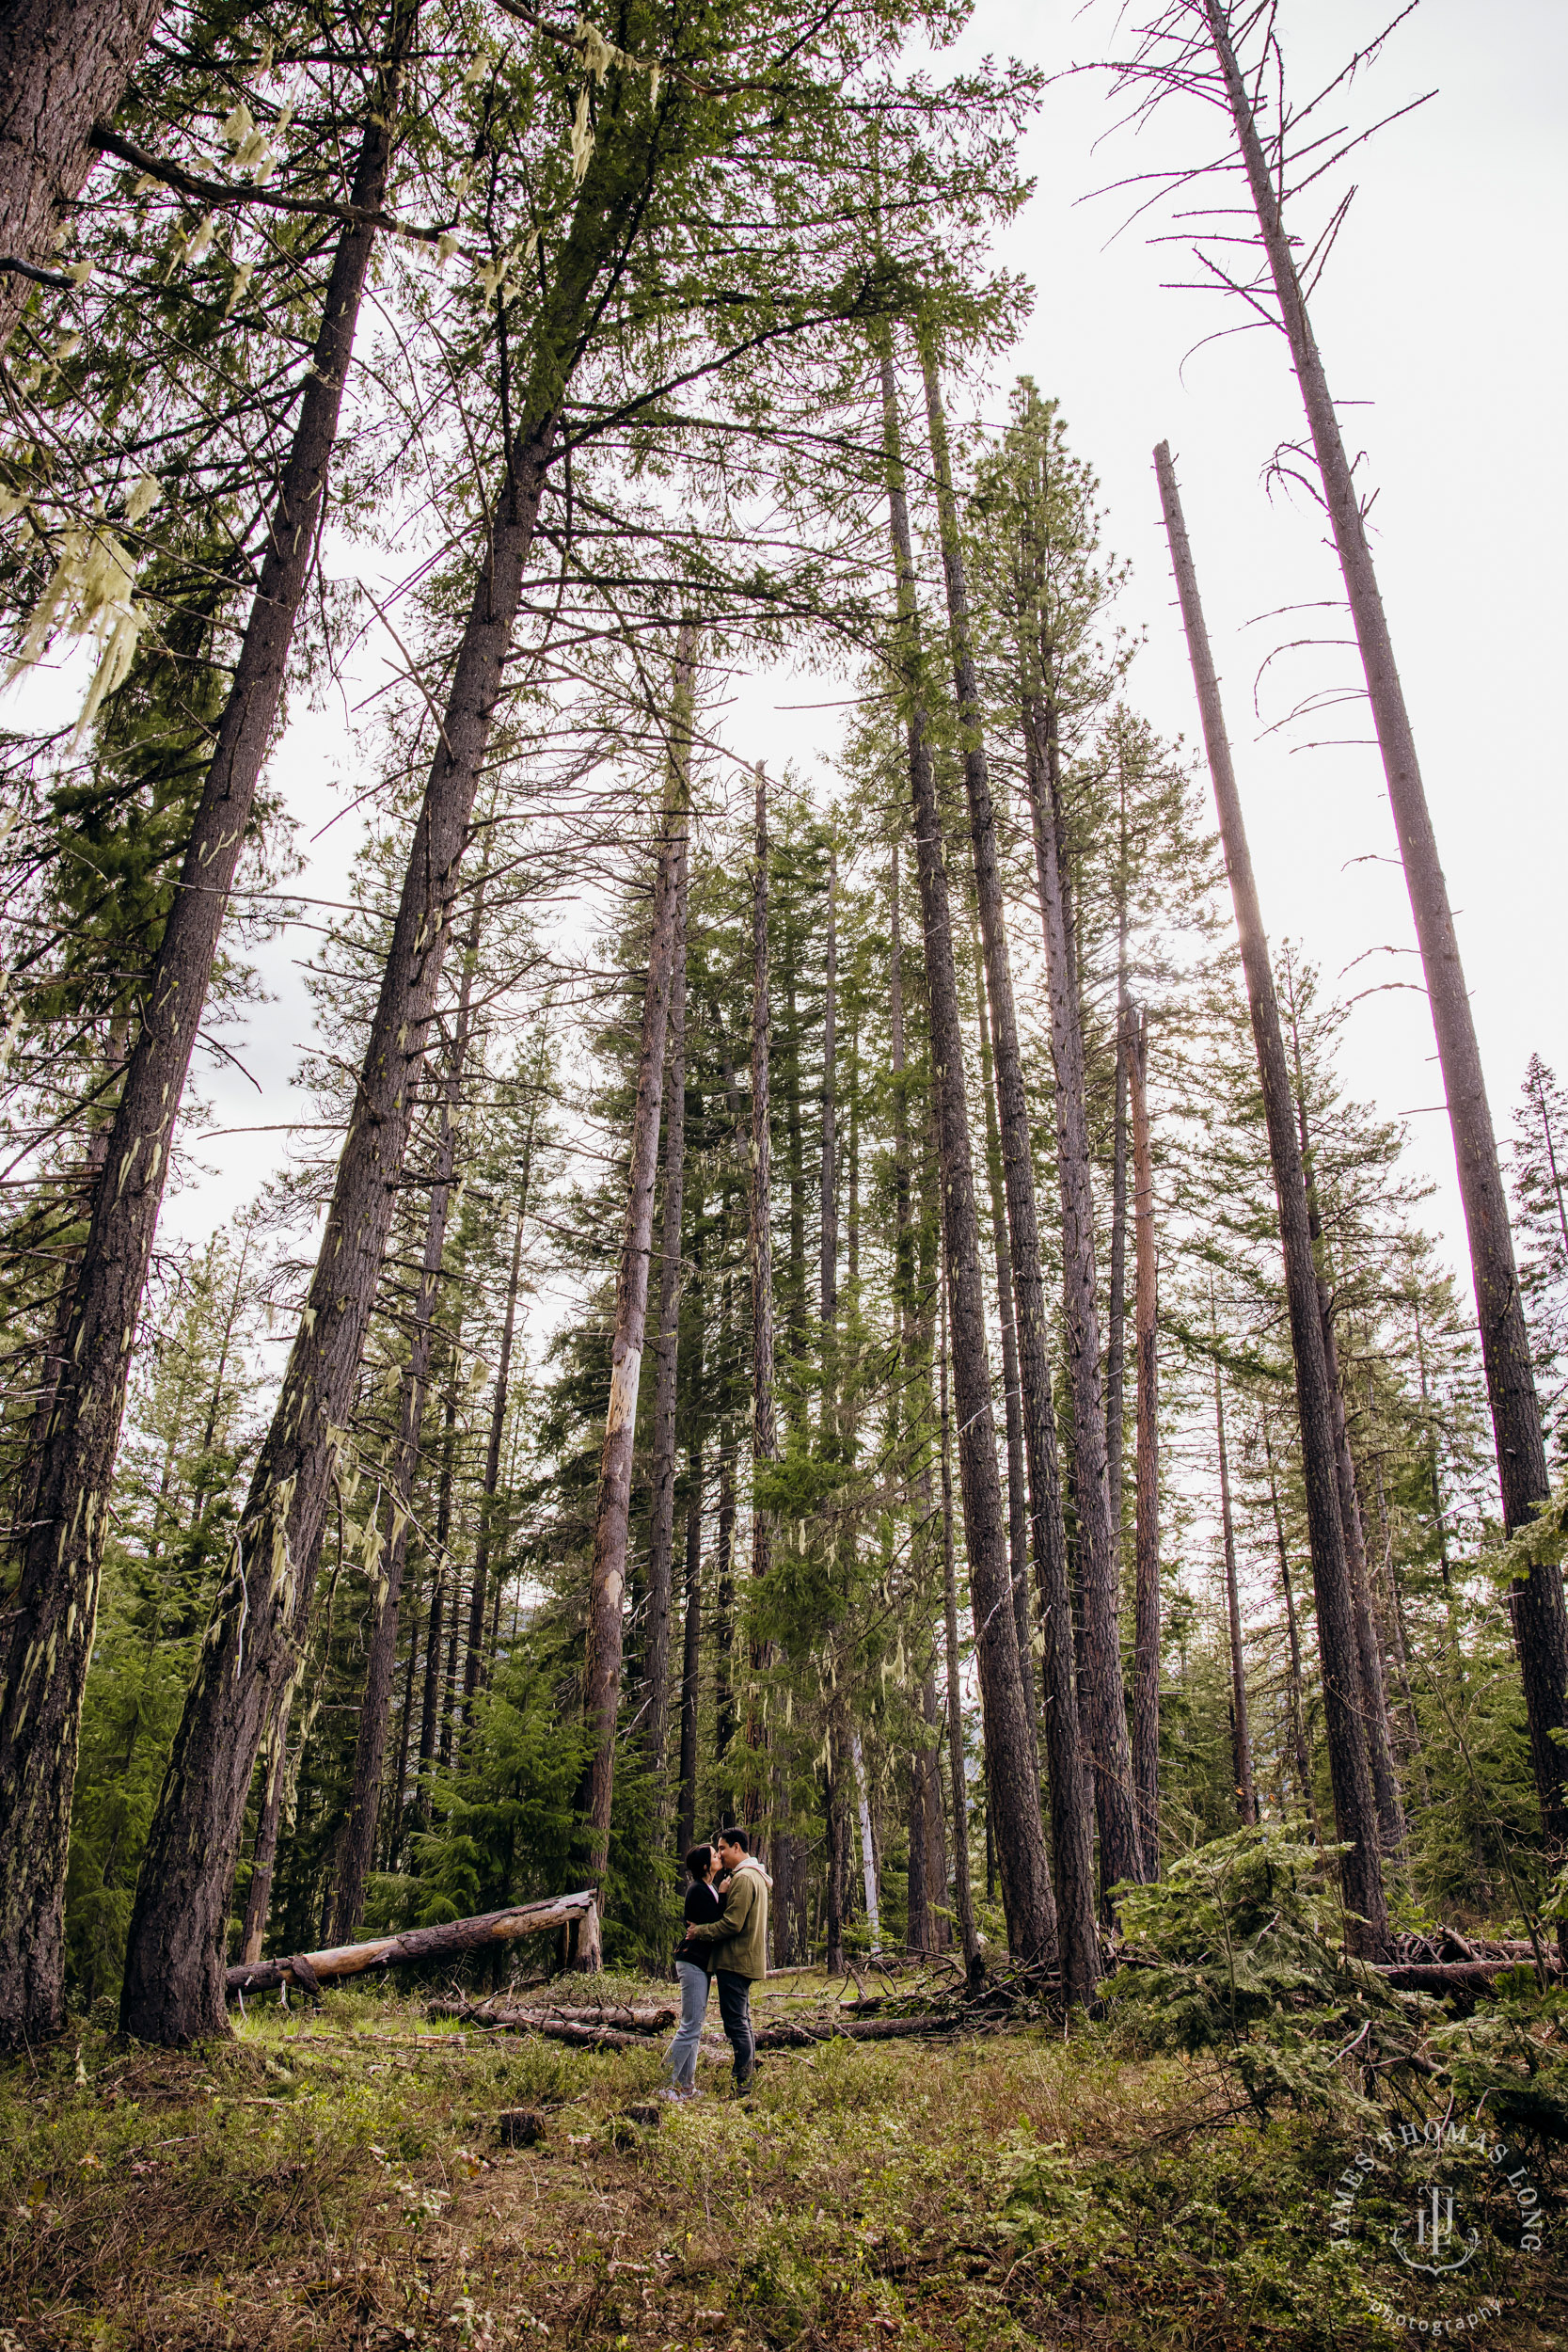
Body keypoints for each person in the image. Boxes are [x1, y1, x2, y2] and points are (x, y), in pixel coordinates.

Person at [679, 1825, 770, 2094]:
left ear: (737, 1848)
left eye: (722, 1848)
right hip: (743, 1959)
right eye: (717, 1850)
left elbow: (732, 1923)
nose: (720, 1854)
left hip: (736, 1960)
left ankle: (742, 2086)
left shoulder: (744, 1879)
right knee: (743, 2021)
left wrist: (700, 1931)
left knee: (736, 2025)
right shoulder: (756, 1876)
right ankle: (745, 2082)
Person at [663, 1843, 722, 2097]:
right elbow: (718, 1920)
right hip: (692, 1962)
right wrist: (728, 1893)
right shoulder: (698, 1890)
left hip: (700, 1963)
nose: (719, 1856)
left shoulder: (707, 1887)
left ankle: (687, 2086)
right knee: (689, 2025)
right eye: (714, 1855)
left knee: (695, 2025)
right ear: (706, 1866)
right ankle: (663, 2083)